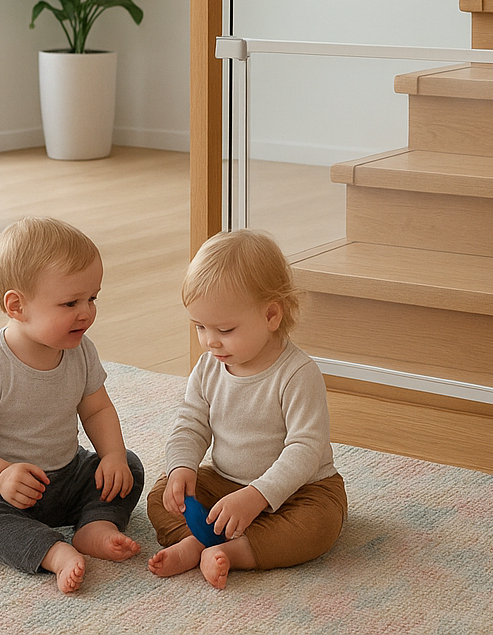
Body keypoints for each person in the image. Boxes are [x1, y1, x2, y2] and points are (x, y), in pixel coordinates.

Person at [0, 216, 145, 593]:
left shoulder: (81, 351)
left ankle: (94, 526)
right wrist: (0, 475)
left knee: (127, 466)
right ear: (17, 306)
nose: (87, 312)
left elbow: (97, 409)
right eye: (70, 302)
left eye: (92, 298)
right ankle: (50, 551)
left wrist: (111, 455)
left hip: (64, 477)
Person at [147, 229, 347, 590]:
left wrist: (257, 496)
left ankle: (226, 550)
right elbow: (190, 424)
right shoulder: (209, 366)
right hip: (226, 482)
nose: (210, 340)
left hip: (302, 490)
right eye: (200, 327)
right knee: (163, 497)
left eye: (224, 328)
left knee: (319, 527)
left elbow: (305, 450)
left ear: (271, 315)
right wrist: (181, 467)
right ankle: (205, 542)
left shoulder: (298, 374)